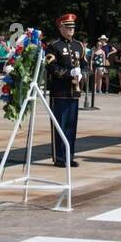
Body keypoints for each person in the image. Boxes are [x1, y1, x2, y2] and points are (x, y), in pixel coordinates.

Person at [46, 13, 85, 167]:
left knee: (71, 125)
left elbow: (85, 64)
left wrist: (82, 74)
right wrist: (69, 73)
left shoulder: (78, 45)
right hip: (60, 91)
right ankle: (59, 157)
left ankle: (69, 155)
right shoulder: (54, 45)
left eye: (73, 27)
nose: (71, 30)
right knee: (60, 125)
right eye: (68, 27)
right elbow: (51, 67)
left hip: (74, 92)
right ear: (61, 28)